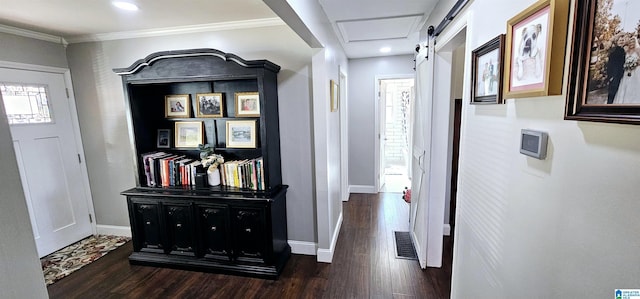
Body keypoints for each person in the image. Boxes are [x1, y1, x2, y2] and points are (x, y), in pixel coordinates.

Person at [613, 34, 640, 104]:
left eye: (633, 42)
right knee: (625, 86)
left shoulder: (638, 50)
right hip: (627, 71)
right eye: (630, 42)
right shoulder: (627, 51)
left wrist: (634, 64)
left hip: (635, 71)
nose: (631, 44)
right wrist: (627, 65)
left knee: (634, 87)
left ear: (635, 43)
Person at [607, 33, 626, 104]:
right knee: (612, 93)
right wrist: (611, 76)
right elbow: (611, 65)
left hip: (619, 75)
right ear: (617, 41)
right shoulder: (615, 51)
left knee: (616, 93)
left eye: (622, 40)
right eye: (620, 40)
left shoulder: (622, 50)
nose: (621, 41)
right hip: (614, 76)